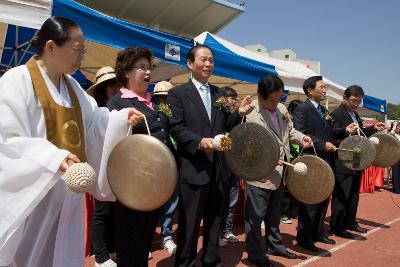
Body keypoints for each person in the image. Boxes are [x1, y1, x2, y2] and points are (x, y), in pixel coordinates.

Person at [0, 17, 143, 267]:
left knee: (65, 254)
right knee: (29, 256)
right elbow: (7, 139)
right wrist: (55, 159)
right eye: (78, 50)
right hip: (36, 194)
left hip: (69, 195)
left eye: (84, 51)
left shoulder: (73, 86)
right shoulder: (16, 80)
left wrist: (119, 119)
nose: (82, 57)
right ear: (51, 47)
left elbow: (93, 122)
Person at [168, 44, 254, 267]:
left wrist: (239, 114)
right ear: (190, 63)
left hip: (218, 170)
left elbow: (227, 126)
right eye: (203, 60)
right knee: (189, 224)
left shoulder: (219, 94)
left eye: (211, 60)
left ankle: (210, 260)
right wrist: (199, 141)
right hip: (194, 169)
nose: (208, 64)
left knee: (214, 221)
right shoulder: (177, 93)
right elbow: (176, 128)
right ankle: (185, 263)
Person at [107, 47, 177, 267]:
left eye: (149, 68)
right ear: (126, 72)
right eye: (142, 67)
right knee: (129, 243)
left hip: (153, 184)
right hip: (131, 186)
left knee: (145, 239)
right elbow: (111, 142)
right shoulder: (118, 103)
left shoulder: (153, 103)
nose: (148, 72)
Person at [245, 75, 312, 266]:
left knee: (274, 215)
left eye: (279, 99)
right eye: (272, 100)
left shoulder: (282, 109)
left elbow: (289, 131)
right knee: (255, 218)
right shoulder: (250, 113)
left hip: (281, 172)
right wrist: (267, 157)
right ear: (260, 96)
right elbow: (246, 145)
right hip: (259, 173)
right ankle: (256, 254)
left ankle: (274, 245)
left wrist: (301, 137)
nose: (276, 104)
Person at [329, 85, 385, 239]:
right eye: (353, 100)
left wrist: (373, 128)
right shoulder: (336, 114)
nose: (355, 104)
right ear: (345, 98)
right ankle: (337, 226)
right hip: (343, 161)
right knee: (341, 196)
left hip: (356, 162)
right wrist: (346, 131)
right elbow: (331, 136)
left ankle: (351, 221)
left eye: (358, 102)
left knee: (354, 195)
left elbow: (361, 135)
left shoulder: (355, 115)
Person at [292, 76, 336, 252]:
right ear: (310, 90)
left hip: (326, 161)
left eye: (325, 87)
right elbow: (300, 132)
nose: (325, 90)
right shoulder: (302, 109)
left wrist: (343, 131)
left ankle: (318, 232)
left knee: (324, 197)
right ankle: (304, 237)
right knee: (310, 200)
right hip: (311, 160)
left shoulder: (324, 110)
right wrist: (322, 144)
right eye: (322, 87)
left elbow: (330, 132)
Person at [87, 67, 119, 267]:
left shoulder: (119, 108)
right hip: (101, 166)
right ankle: (100, 255)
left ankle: (113, 248)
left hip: (119, 167)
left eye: (117, 84)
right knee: (103, 210)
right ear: (102, 89)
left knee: (115, 210)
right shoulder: (96, 112)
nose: (115, 88)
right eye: (110, 85)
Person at [152, 81, 179, 255]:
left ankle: (167, 235)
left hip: (174, 164)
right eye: (161, 98)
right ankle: (147, 239)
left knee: (171, 202)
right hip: (155, 166)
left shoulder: (177, 114)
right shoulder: (153, 113)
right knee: (152, 203)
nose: (165, 101)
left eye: (167, 98)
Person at [220, 86, 240, 245]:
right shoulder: (220, 114)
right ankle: (217, 231)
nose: (233, 100)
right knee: (220, 197)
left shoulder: (237, 115)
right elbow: (227, 125)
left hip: (235, 162)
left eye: (234, 98)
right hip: (221, 163)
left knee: (232, 199)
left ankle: (227, 229)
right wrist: (239, 112)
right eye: (231, 97)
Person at [279, 99, 303, 224]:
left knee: (296, 187)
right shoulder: (285, 120)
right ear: (290, 111)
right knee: (286, 187)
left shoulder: (297, 123)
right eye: (297, 111)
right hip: (288, 159)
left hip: (298, 159)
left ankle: (294, 211)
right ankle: (283, 213)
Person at [390, 121, 400, 194]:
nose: (398, 127)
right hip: (395, 156)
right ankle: (396, 189)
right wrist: (394, 125)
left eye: (399, 126)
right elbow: (390, 135)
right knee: (396, 172)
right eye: (396, 126)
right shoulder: (392, 135)